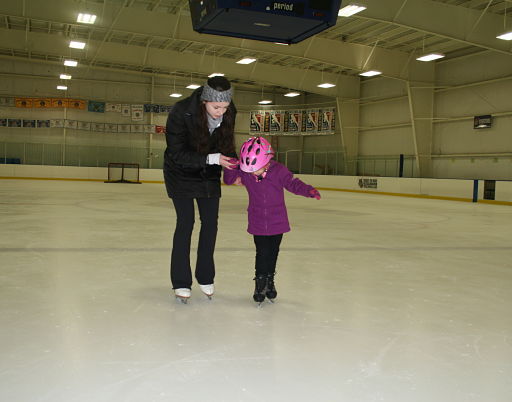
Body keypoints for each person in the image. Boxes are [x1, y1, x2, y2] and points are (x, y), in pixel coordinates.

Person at [163, 76, 238, 303]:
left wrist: (234, 172)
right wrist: (213, 158)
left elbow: (227, 144)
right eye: (216, 107)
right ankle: (181, 282)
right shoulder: (181, 111)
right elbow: (177, 153)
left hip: (208, 174)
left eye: (225, 107)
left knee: (210, 224)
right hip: (180, 172)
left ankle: (205, 276)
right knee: (185, 224)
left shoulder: (229, 111)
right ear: (205, 101)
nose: (221, 112)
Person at [223, 136, 321, 305]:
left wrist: (308, 190)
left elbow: (293, 184)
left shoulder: (279, 171)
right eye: (250, 170)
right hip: (257, 219)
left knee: (273, 251)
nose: (253, 173)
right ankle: (259, 284)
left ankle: (270, 281)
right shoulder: (246, 171)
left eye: (257, 169)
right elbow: (228, 180)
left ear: (267, 161)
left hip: (278, 220)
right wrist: (232, 166)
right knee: (262, 252)